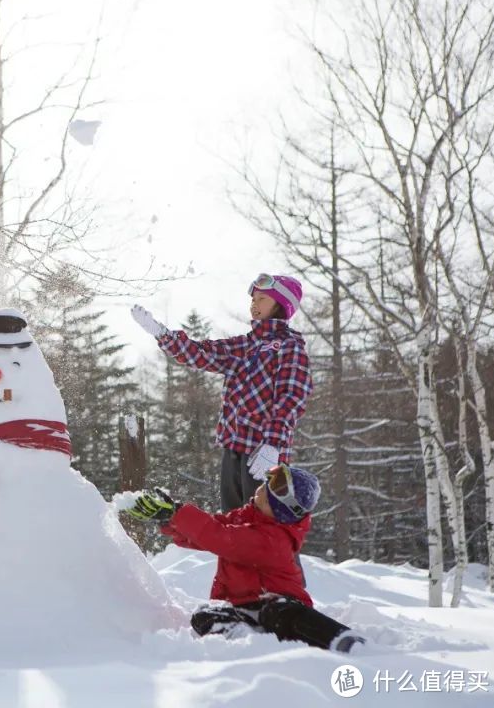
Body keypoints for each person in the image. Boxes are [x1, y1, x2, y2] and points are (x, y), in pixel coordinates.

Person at [120, 465, 364, 653]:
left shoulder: (272, 540)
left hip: (277, 604)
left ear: (280, 509)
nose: (264, 485)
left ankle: (340, 638)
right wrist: (170, 520)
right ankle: (245, 643)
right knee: (204, 616)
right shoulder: (248, 517)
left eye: (272, 490)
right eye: (268, 482)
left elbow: (219, 537)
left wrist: (178, 512)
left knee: (279, 613)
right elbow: (209, 531)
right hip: (241, 609)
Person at [132, 273, 312, 512]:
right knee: (234, 520)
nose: (254, 304)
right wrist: (162, 334)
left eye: (262, 299)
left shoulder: (290, 347)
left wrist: (273, 444)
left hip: (264, 453)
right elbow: (200, 354)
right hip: (233, 448)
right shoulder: (244, 346)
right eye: (253, 299)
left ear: (281, 305)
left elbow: (292, 397)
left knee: (266, 524)